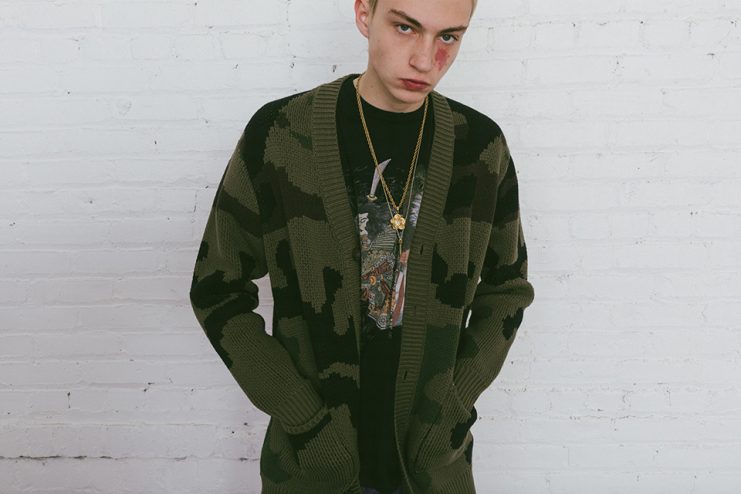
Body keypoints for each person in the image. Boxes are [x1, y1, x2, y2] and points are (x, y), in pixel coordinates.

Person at [188, 0, 535, 493]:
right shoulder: (280, 134)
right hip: (311, 468)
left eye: (448, 37)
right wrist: (302, 418)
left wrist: (450, 406)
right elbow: (217, 289)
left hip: (432, 469)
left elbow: (507, 289)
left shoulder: (480, 148)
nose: (425, 60)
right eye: (405, 28)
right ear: (363, 14)